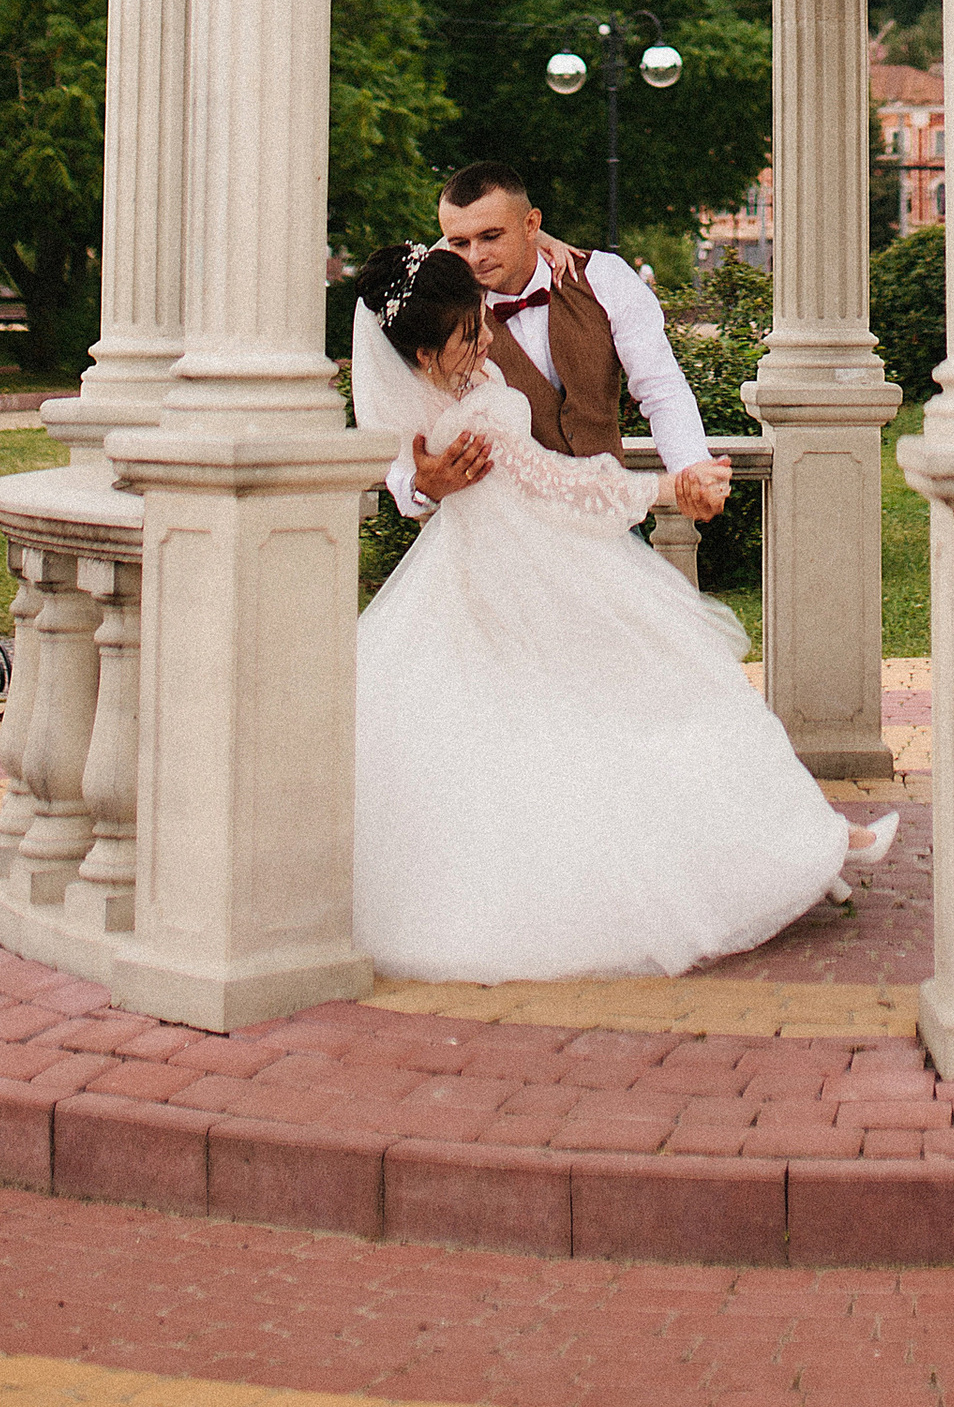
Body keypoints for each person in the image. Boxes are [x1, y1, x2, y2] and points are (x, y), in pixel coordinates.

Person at [349, 242, 896, 981]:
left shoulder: (522, 311)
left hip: (510, 574)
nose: (485, 342)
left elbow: (659, 386)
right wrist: (663, 491)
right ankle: (790, 854)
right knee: (653, 715)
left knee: (616, 728)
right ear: (422, 354)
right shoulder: (460, 417)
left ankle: (804, 848)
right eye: (469, 336)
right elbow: (559, 489)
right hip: (529, 582)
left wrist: (683, 462)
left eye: (482, 323)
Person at [384, 161, 716, 528]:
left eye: (491, 236)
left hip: (608, 529)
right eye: (459, 243)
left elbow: (661, 388)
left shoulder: (604, 279)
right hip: (502, 541)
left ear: (531, 224)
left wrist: (693, 471)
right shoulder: (436, 319)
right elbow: (398, 440)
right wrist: (420, 488)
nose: (475, 256)